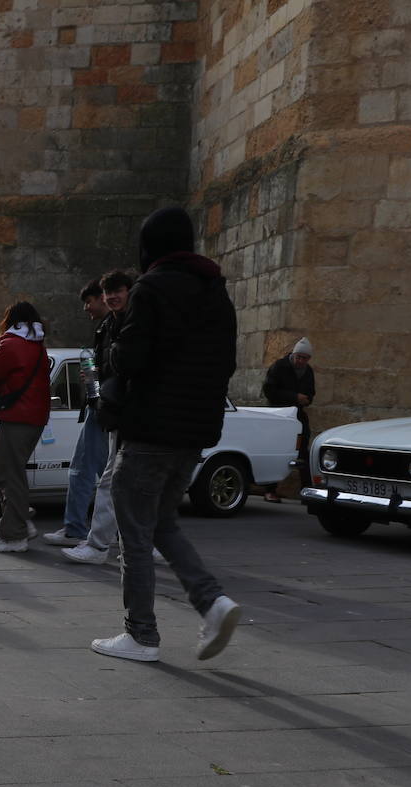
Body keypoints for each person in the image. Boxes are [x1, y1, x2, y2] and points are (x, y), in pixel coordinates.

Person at [91, 206, 240, 664]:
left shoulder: (150, 289)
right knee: (160, 523)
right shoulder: (217, 293)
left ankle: (141, 634)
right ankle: (212, 602)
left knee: (134, 532)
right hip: (193, 432)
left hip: (150, 427)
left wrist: (111, 348)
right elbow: (224, 363)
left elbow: (130, 359)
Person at [61, 270, 131, 565]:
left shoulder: (129, 323)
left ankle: (100, 544)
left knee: (115, 480)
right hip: (117, 409)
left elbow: (124, 367)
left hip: (130, 412)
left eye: (116, 291)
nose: (111, 297)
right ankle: (126, 542)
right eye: (107, 292)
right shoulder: (112, 325)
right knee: (120, 481)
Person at [0, 300, 50, 553]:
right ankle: (21, 520)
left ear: (10, 320)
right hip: (34, 418)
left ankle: (14, 535)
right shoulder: (37, 346)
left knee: (7, 473)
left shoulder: (12, 345)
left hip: (17, 418)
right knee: (9, 470)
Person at [41, 279, 108, 547]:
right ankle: (76, 527)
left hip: (105, 409)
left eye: (89, 301)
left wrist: (97, 377)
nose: (85, 308)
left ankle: (81, 530)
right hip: (99, 407)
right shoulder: (106, 328)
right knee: (86, 471)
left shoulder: (116, 327)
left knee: (96, 473)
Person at [262, 337, 315, 499]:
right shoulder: (279, 366)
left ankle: (306, 491)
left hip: (297, 415)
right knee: (276, 449)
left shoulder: (308, 371)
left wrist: (306, 399)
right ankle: (270, 490)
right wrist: (294, 396)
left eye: (304, 358)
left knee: (303, 452)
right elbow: (269, 391)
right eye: (298, 357)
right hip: (279, 414)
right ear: (293, 354)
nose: (300, 361)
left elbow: (311, 393)